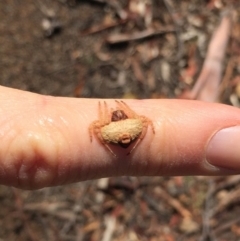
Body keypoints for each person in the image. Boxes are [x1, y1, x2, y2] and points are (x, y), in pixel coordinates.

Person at [0, 85, 239, 190]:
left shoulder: (121, 122)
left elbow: (102, 126)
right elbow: (99, 127)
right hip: (118, 134)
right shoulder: (117, 122)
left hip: (120, 135)